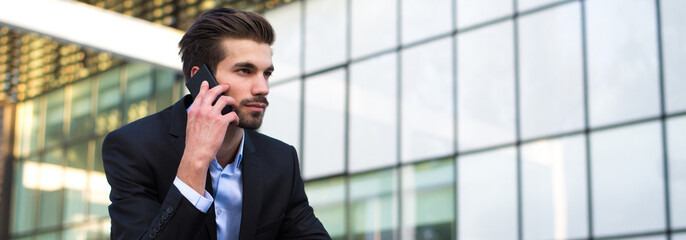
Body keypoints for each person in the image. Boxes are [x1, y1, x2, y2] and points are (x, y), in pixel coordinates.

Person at [102, 8, 330, 240]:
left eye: (266, 73)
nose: (263, 88)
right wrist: (196, 161)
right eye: (245, 70)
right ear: (201, 79)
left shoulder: (281, 160)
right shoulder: (134, 148)